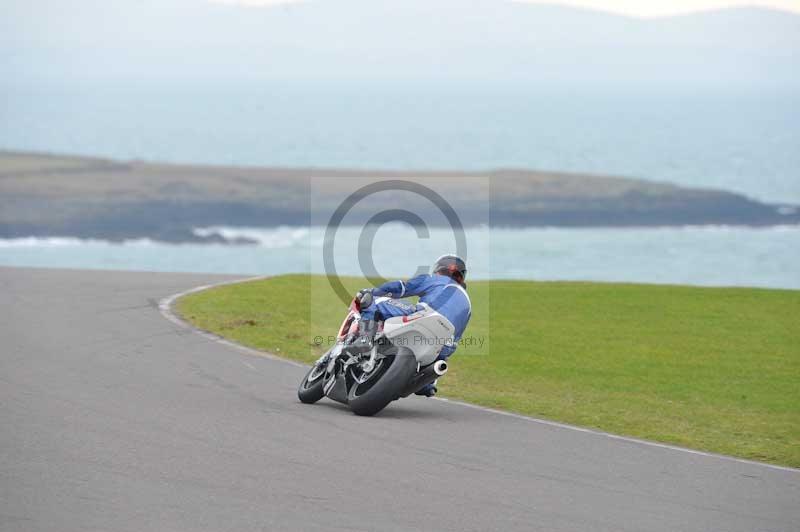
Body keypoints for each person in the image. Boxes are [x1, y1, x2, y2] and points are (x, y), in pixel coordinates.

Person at [353, 254, 472, 397]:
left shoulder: (436, 280)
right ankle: (427, 384)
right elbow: (456, 337)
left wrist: (372, 292)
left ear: (440, 268)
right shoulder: (468, 304)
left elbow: (400, 288)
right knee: (444, 351)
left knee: (375, 302)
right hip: (442, 345)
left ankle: (364, 339)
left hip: (423, 317)